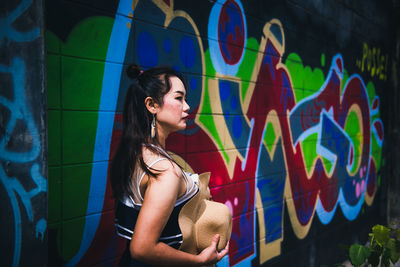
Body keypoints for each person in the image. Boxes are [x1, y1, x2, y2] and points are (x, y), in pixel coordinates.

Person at [110, 64, 229, 266]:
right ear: (152, 105)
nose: (187, 106)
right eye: (178, 98)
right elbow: (142, 248)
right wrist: (198, 261)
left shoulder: (138, 152)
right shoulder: (164, 171)